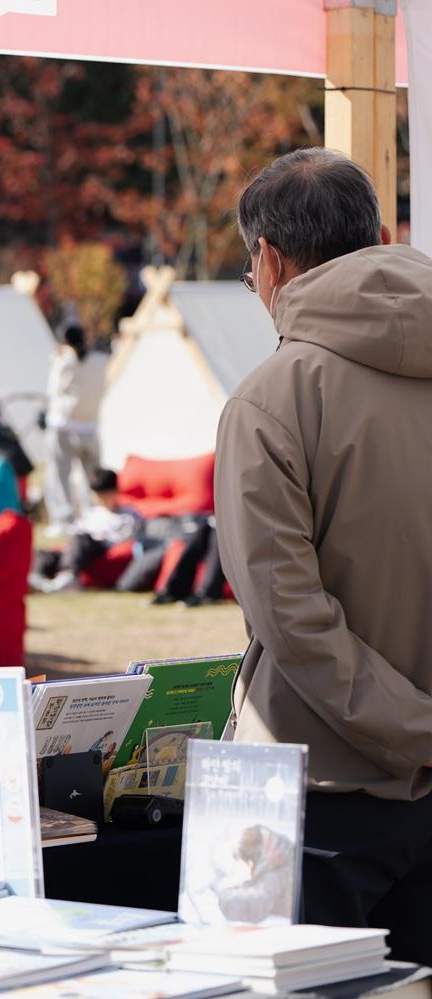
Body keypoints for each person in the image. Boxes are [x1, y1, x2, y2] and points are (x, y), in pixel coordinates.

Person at [215, 148, 432, 963]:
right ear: (379, 238)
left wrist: (415, 728)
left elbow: (292, 619)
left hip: (318, 788)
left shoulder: (270, 399)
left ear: (269, 261)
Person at [42, 322, 107, 529]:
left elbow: (53, 391)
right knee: (91, 475)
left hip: (64, 425)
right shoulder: (99, 360)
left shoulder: (63, 362)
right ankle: (92, 513)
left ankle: (64, 518)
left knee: (60, 473)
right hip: (90, 427)